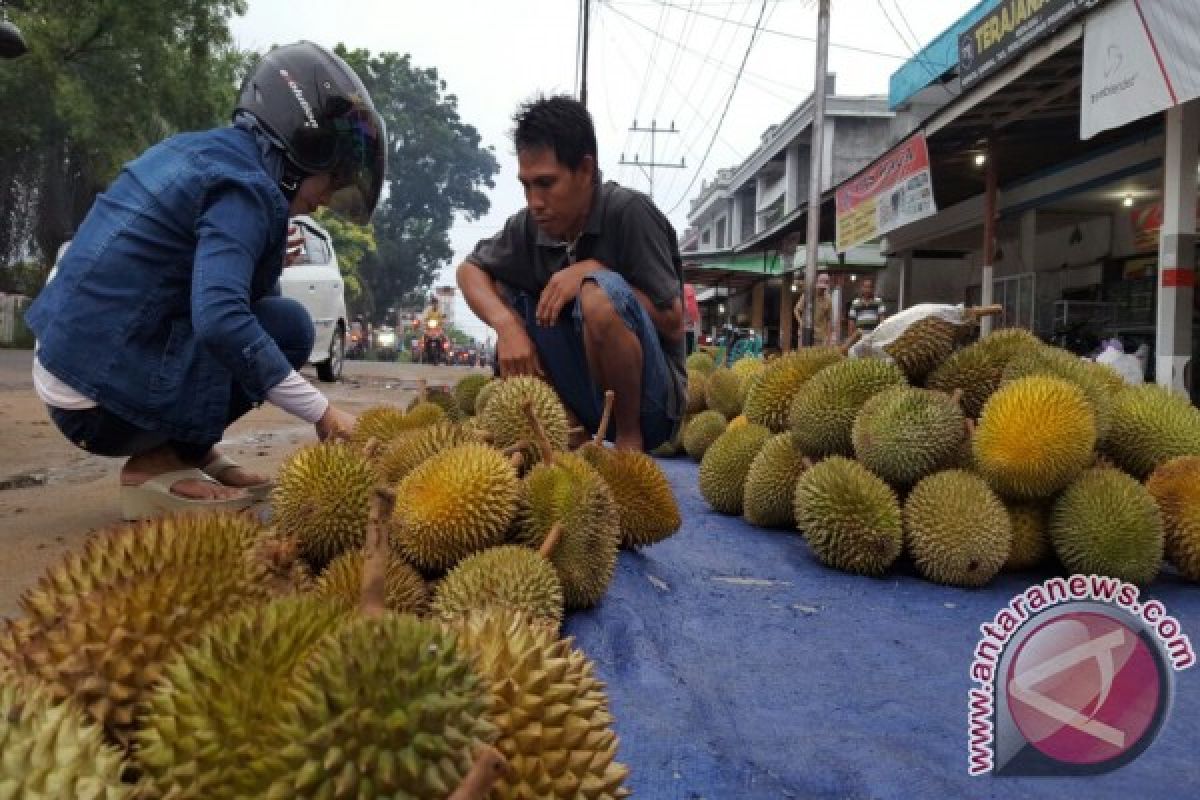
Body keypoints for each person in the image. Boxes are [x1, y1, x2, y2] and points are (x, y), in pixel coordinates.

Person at [25, 41, 386, 520]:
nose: (325, 201)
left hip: (69, 364)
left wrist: (266, 258)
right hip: (95, 402)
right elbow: (220, 319)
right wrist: (322, 412)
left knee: (272, 317)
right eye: (330, 182)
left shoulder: (201, 152)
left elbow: (193, 284)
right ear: (302, 151)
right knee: (291, 328)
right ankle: (157, 464)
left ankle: (190, 451)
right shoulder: (248, 189)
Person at [456, 94, 685, 452]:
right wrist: (506, 325)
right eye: (526, 185)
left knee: (599, 294)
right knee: (502, 290)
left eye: (546, 183)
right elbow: (469, 270)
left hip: (651, 407)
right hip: (583, 396)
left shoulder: (629, 213)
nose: (534, 202)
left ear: (586, 171)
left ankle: (628, 443)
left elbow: (673, 321)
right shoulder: (532, 228)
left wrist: (595, 272)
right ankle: (568, 432)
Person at [793, 272, 833, 346]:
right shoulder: (808, 294)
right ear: (817, 284)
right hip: (805, 333)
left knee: (816, 356)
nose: (822, 290)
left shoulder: (828, 299)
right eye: (821, 288)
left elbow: (829, 319)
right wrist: (801, 323)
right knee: (803, 356)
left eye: (824, 288)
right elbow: (796, 310)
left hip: (819, 336)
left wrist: (828, 337)